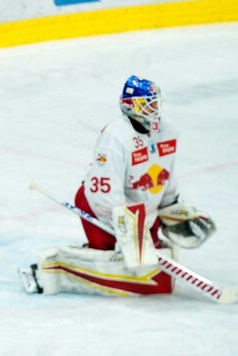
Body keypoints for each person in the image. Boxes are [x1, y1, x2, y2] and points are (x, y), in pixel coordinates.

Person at [19, 75, 215, 297]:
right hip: (103, 207)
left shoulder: (168, 131)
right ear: (130, 105)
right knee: (115, 261)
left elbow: (166, 173)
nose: (154, 108)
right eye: (147, 103)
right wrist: (126, 227)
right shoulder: (116, 137)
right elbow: (104, 189)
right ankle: (55, 267)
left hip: (143, 210)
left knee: (154, 274)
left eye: (156, 102)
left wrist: (172, 206)